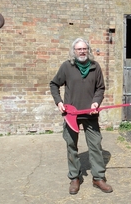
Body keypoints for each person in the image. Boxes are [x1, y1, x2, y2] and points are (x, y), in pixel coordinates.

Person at [50, 38, 113, 195]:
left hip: (90, 114)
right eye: (79, 49)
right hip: (71, 114)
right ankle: (75, 178)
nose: (82, 51)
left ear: (88, 50)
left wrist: (95, 103)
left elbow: (100, 88)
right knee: (71, 146)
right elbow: (54, 84)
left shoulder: (95, 66)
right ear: (74, 51)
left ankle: (98, 178)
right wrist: (59, 103)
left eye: (85, 48)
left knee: (96, 145)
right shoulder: (67, 66)